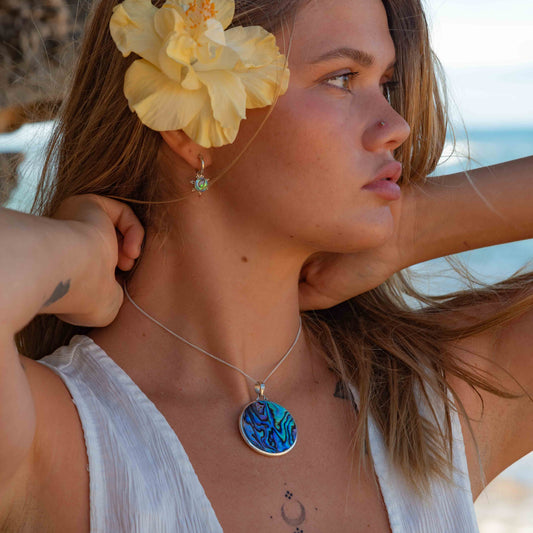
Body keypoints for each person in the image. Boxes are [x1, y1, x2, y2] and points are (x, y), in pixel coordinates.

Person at [0, 0, 532, 531]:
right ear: (193, 125)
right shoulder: (47, 441)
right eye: (342, 78)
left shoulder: (433, 406)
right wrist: (77, 251)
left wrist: (413, 227)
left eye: (386, 85)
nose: (396, 126)